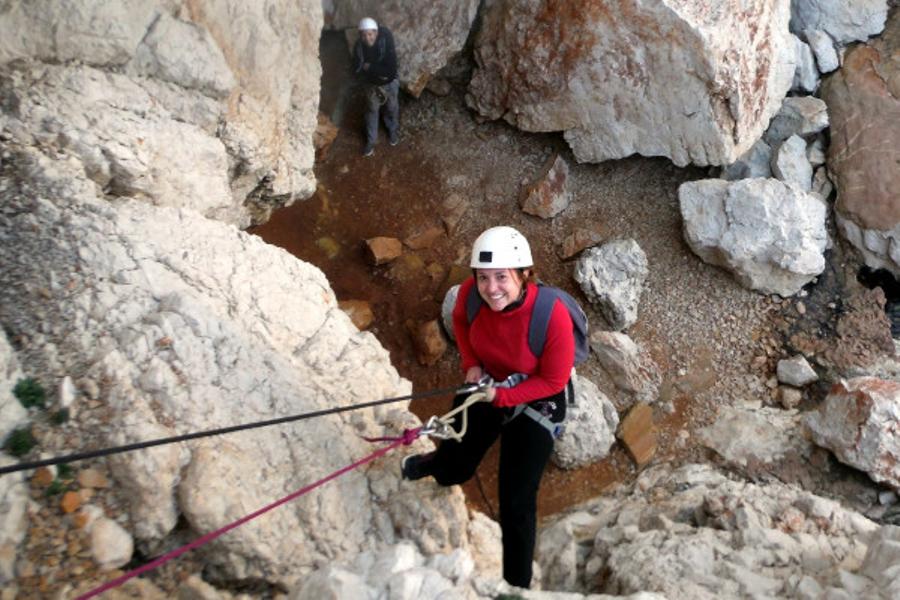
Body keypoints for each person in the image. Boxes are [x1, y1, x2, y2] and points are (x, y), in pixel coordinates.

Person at [401, 226, 575, 589]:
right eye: (484, 278)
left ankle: (516, 587)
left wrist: (503, 397)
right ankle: (438, 466)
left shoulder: (552, 315)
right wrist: (471, 365)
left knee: (516, 503)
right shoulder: (471, 294)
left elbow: (554, 382)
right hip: (488, 381)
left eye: (501, 277)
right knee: (454, 463)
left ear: (524, 274)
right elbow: (462, 324)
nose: (491, 288)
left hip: (537, 401)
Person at [352, 17, 399, 157]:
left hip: (389, 82)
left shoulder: (385, 41)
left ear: (376, 33)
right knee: (371, 111)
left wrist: (370, 67)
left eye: (370, 34)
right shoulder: (359, 47)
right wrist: (374, 70)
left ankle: (392, 130)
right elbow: (357, 68)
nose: (367, 38)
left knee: (392, 107)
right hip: (372, 85)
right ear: (360, 35)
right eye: (364, 35)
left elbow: (390, 70)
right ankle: (371, 141)